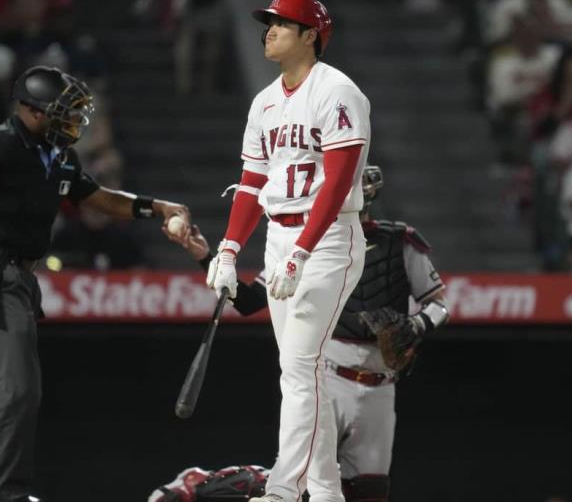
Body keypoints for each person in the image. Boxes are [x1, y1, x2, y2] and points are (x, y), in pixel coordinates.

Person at [0, 65, 191, 502]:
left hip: (22, 279)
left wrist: (157, 207)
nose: (72, 120)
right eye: (62, 111)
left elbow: (100, 199)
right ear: (30, 111)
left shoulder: (57, 155)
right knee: (17, 390)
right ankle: (2, 494)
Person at [173, 166, 449, 502]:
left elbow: (439, 304)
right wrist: (207, 257)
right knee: (303, 482)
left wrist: (417, 325)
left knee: (370, 492)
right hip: (326, 378)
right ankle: (202, 485)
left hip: (381, 385)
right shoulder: (299, 243)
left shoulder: (398, 241)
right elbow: (247, 302)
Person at [203, 0, 370, 500]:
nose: (269, 31)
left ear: (310, 34)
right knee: (303, 371)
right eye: (269, 22)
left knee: (299, 369)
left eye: (281, 23)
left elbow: (337, 183)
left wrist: (301, 251)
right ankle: (324, 492)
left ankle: (281, 490)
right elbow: (253, 182)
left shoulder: (338, 91)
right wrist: (229, 249)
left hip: (328, 239)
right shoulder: (265, 101)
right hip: (280, 236)